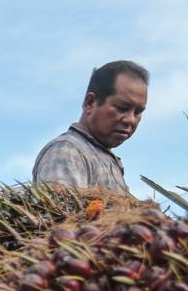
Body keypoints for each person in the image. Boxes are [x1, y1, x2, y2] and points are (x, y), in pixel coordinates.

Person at [32, 60, 149, 193]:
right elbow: (66, 213)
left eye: (138, 112)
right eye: (122, 108)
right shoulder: (68, 151)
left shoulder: (106, 158)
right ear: (90, 103)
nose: (131, 120)